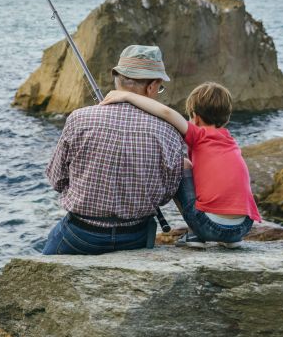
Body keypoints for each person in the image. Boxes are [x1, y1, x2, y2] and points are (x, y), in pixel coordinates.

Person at [32, 45, 187, 337]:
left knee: (43, 285)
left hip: (80, 234)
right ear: (150, 87)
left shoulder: (80, 118)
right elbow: (168, 190)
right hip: (136, 235)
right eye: (159, 87)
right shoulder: (169, 132)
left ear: (118, 79)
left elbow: (56, 179)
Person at [100, 81, 261, 249]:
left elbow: (166, 112)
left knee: (181, 164)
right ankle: (231, 241)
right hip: (243, 227)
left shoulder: (199, 135)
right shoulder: (231, 142)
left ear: (195, 117)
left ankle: (195, 235)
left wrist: (127, 95)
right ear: (226, 118)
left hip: (209, 226)